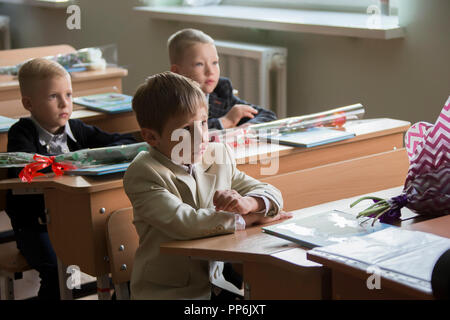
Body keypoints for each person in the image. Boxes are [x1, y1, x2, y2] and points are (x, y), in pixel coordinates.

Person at [124, 71, 290, 299]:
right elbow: (185, 222)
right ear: (151, 137)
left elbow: (271, 192)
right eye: (186, 129)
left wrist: (248, 203)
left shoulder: (216, 155)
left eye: (203, 123)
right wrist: (249, 218)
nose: (202, 136)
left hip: (215, 286)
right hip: (168, 293)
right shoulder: (144, 173)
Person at [5, 58, 137, 300]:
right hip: (35, 226)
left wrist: (92, 157)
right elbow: (23, 171)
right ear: (29, 103)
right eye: (53, 96)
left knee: (121, 256)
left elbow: (123, 143)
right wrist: (70, 164)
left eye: (68, 94)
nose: (65, 103)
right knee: (57, 273)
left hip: (76, 219)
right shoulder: (21, 133)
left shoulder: (77, 129)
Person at [168, 28, 277, 130]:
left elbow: (268, 115)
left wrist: (248, 127)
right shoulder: (170, 100)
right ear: (177, 72)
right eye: (199, 64)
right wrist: (224, 121)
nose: (210, 71)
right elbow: (182, 131)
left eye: (215, 63)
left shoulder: (221, 92)